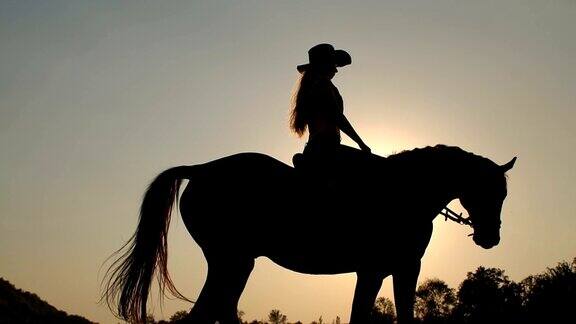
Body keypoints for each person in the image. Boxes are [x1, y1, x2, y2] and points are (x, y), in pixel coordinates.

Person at [290, 43, 378, 179]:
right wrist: (361, 143)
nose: (336, 70)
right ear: (324, 65)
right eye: (333, 65)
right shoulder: (323, 85)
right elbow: (336, 116)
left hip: (316, 148)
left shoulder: (312, 86)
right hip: (326, 150)